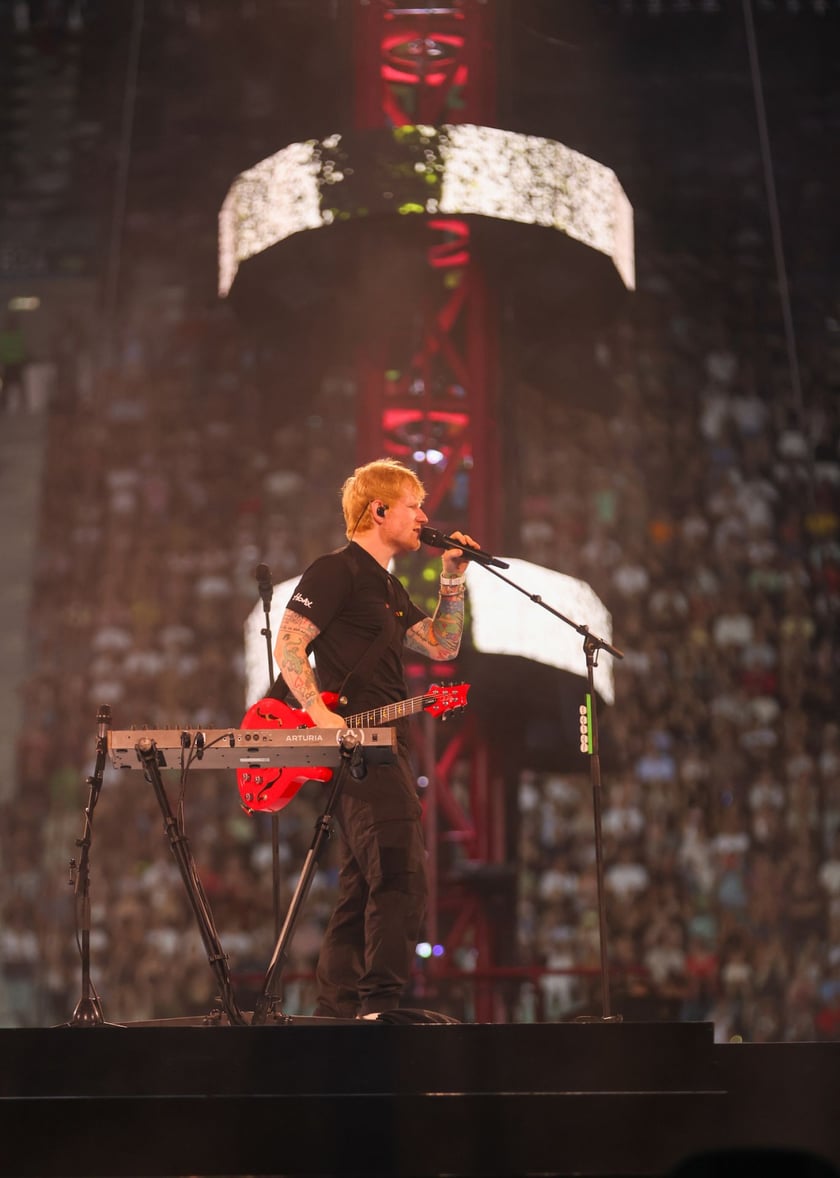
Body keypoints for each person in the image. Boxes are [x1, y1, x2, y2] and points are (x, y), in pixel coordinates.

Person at [272, 457, 478, 1019]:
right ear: (379, 510)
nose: (425, 517)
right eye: (415, 506)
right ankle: (379, 1006)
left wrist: (453, 576)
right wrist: (318, 711)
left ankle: (337, 1010)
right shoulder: (335, 571)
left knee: (362, 883)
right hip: (357, 748)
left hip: (387, 744)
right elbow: (289, 642)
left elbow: (442, 645)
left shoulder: (387, 586)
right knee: (400, 869)